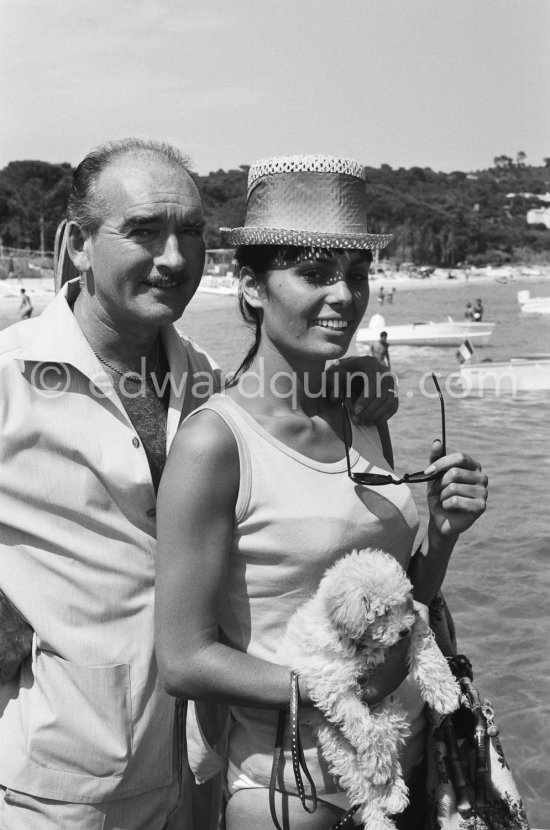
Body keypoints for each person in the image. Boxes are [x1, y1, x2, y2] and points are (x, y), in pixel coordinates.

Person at [0, 142, 397, 830]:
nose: (175, 258)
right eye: (145, 232)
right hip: (55, 784)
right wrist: (26, 654)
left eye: (190, 233)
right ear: (77, 244)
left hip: (200, 768)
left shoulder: (207, 380)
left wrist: (353, 383)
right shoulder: (11, 375)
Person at [154, 155, 488, 830]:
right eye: (313, 273)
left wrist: (443, 533)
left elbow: (397, 603)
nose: (343, 295)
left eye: (357, 275)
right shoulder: (215, 443)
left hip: (405, 764)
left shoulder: (361, 414)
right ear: (250, 285)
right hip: (295, 789)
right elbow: (184, 659)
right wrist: (341, 692)